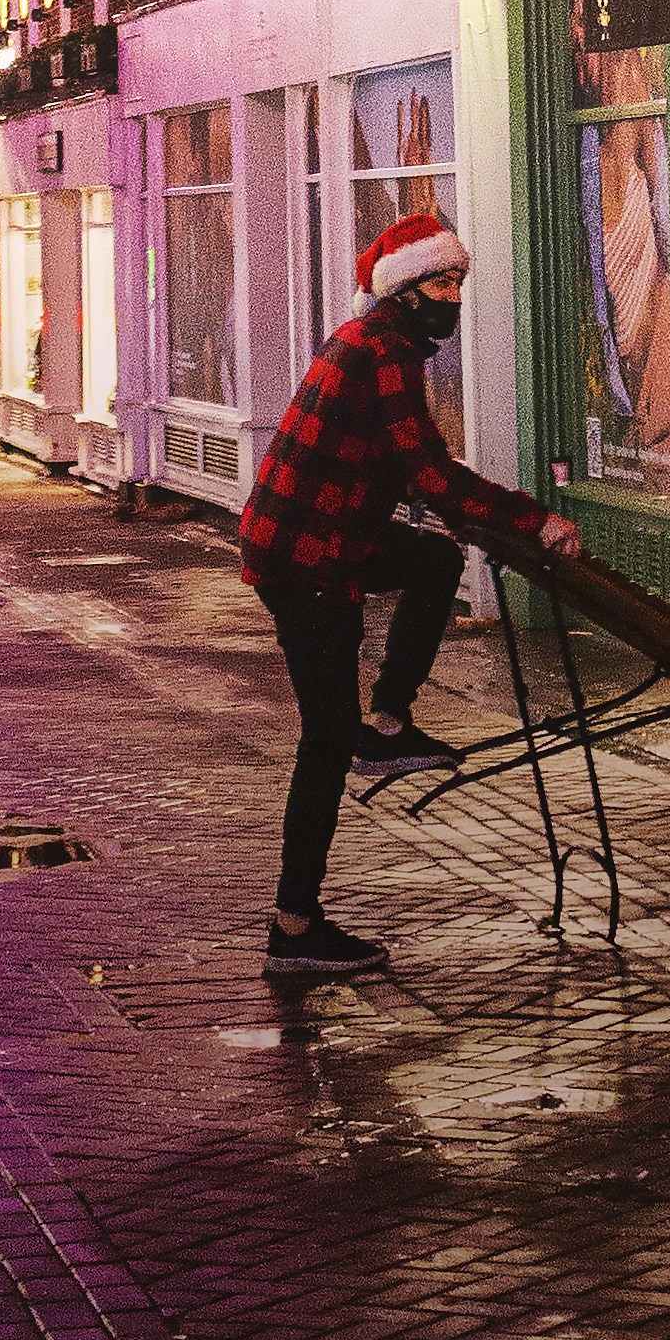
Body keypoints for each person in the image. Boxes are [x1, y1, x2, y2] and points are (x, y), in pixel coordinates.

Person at [241, 212, 580, 975]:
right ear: (402, 291)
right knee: (325, 741)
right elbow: (427, 471)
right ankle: (295, 930)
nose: (452, 295)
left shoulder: (378, 344)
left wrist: (464, 516)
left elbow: (400, 469)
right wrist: (533, 520)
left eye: (458, 280)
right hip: (309, 560)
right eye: (439, 281)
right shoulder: (383, 352)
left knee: (430, 562)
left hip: (316, 540)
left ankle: (390, 723)